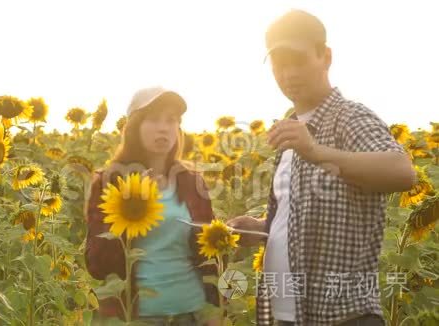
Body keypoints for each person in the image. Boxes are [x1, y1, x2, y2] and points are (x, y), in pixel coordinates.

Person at [227, 10, 415, 326]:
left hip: (343, 316)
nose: (288, 73)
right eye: (279, 63)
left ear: (324, 56)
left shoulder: (349, 117)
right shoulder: (292, 128)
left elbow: (402, 172)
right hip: (289, 314)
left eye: (297, 60)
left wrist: (315, 150)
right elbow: (301, 214)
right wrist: (263, 228)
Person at [85, 87, 221, 325]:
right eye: (154, 119)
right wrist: (131, 207)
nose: (163, 127)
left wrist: (216, 310)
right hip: (136, 315)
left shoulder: (191, 182)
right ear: (135, 127)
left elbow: (210, 255)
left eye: (171, 120)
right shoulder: (110, 183)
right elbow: (97, 265)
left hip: (192, 312)